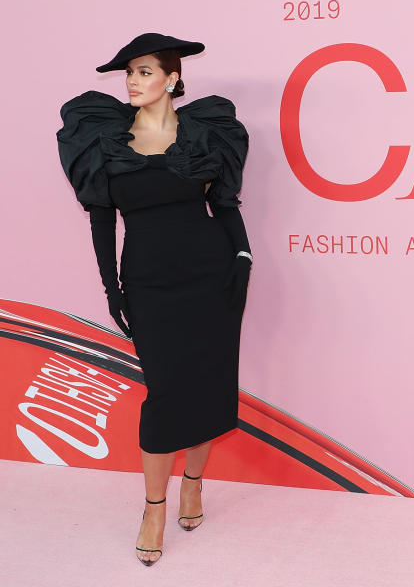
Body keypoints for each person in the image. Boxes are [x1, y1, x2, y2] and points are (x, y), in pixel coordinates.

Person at [56, 33, 252, 567]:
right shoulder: (103, 140)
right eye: (129, 73)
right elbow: (102, 219)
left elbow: (227, 204)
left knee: (208, 385)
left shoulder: (206, 134)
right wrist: (111, 290)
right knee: (164, 394)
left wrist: (243, 258)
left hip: (210, 277)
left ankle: (194, 484)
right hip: (147, 281)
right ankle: (153, 509)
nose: (133, 82)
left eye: (144, 72)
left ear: (172, 79)